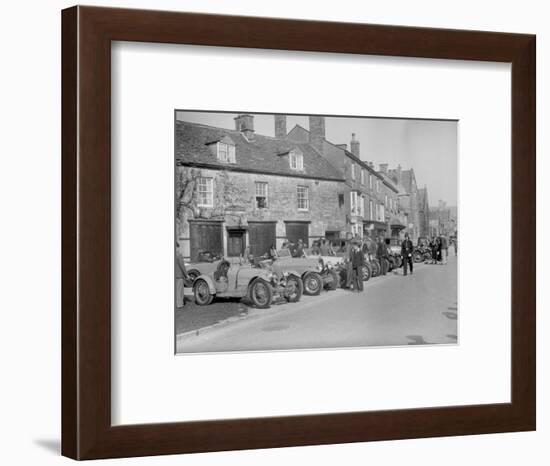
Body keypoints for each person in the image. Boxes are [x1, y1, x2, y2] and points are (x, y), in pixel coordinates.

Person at [175, 243, 188, 308]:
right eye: (178, 247)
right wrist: (186, 275)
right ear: (177, 247)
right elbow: (182, 266)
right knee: (179, 291)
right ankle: (179, 304)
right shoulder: (179, 255)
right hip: (179, 275)